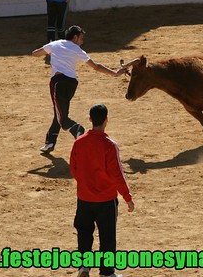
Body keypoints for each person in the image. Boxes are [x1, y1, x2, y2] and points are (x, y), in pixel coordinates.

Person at [32, 25, 127, 154]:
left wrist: (47, 51)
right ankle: (50, 142)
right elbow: (96, 66)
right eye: (81, 39)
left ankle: (77, 129)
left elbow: (35, 53)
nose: (82, 41)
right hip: (71, 84)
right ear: (75, 37)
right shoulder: (77, 50)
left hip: (58, 83)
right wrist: (115, 73)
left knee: (63, 118)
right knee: (60, 112)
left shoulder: (55, 44)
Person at [70, 104, 135, 277]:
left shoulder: (79, 142)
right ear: (106, 120)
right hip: (105, 200)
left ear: (90, 120)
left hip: (84, 198)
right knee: (107, 236)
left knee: (84, 232)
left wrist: (85, 183)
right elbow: (117, 174)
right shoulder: (109, 145)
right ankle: (106, 273)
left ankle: (84, 266)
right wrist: (127, 197)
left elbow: (74, 168)